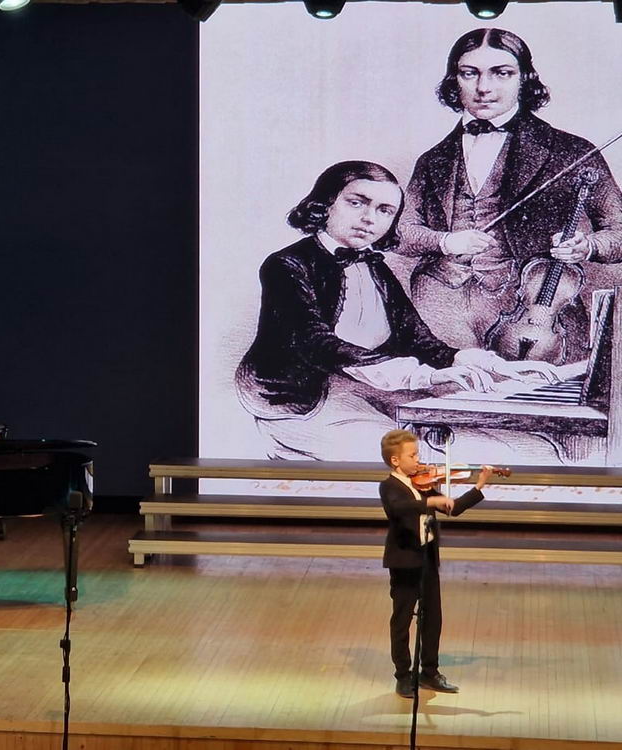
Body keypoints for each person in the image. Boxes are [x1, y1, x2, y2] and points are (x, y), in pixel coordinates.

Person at [235, 160, 558, 461]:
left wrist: (491, 365)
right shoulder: (286, 265)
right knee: (424, 460)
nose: (370, 219)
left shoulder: (376, 268)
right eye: (356, 203)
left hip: (369, 390)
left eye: (385, 210)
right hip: (299, 400)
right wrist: (423, 375)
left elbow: (418, 339)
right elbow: (316, 343)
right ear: (325, 203)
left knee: (501, 448)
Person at [399, 28, 622, 360]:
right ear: (454, 80)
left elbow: (619, 231)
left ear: (523, 79)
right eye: (469, 73)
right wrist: (445, 241)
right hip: (440, 302)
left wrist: (587, 246)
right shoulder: (432, 160)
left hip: (531, 312)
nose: (483, 87)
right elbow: (399, 234)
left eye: (501, 73)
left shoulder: (571, 151)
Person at [379, 428, 493, 698]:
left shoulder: (423, 484)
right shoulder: (389, 486)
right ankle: (403, 676)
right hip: (404, 562)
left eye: (417, 454)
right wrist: (430, 499)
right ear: (395, 460)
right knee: (402, 620)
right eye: (412, 455)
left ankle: (429, 672)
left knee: (433, 618)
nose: (418, 459)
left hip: (427, 559)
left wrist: (479, 486)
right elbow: (399, 508)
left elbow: (453, 507)